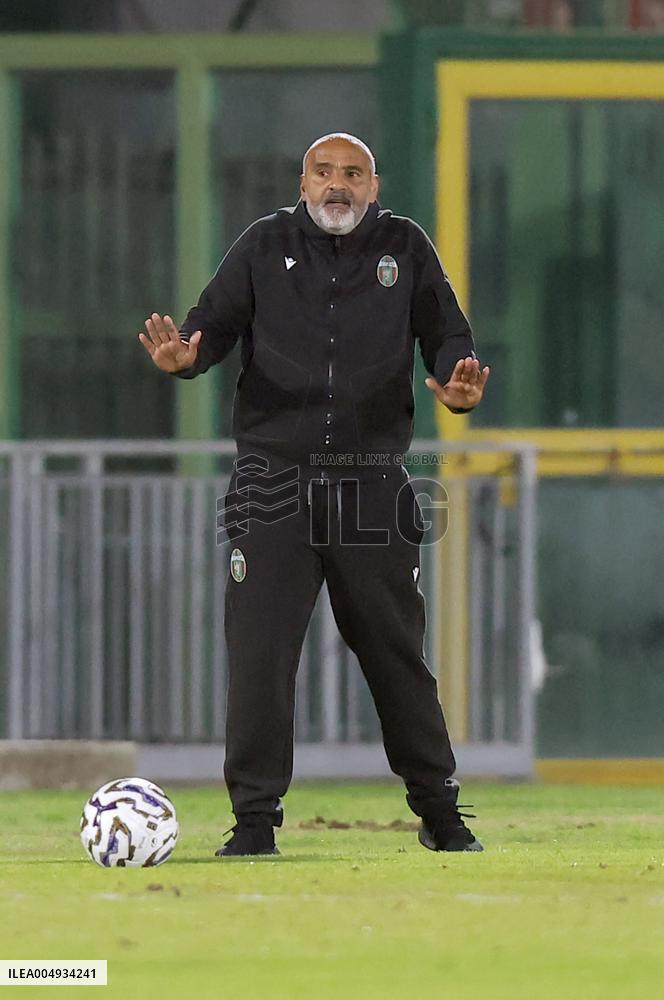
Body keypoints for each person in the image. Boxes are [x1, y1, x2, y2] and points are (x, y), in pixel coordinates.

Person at [138, 132, 490, 858]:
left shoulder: (406, 246)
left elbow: (448, 337)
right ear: (303, 184)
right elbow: (210, 324)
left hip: (372, 483)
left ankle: (440, 811)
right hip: (273, 482)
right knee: (260, 655)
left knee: (397, 653)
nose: (338, 185)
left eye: (353, 174)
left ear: (374, 183)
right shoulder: (265, 245)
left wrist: (458, 380)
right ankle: (256, 823)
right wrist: (187, 356)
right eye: (324, 173)